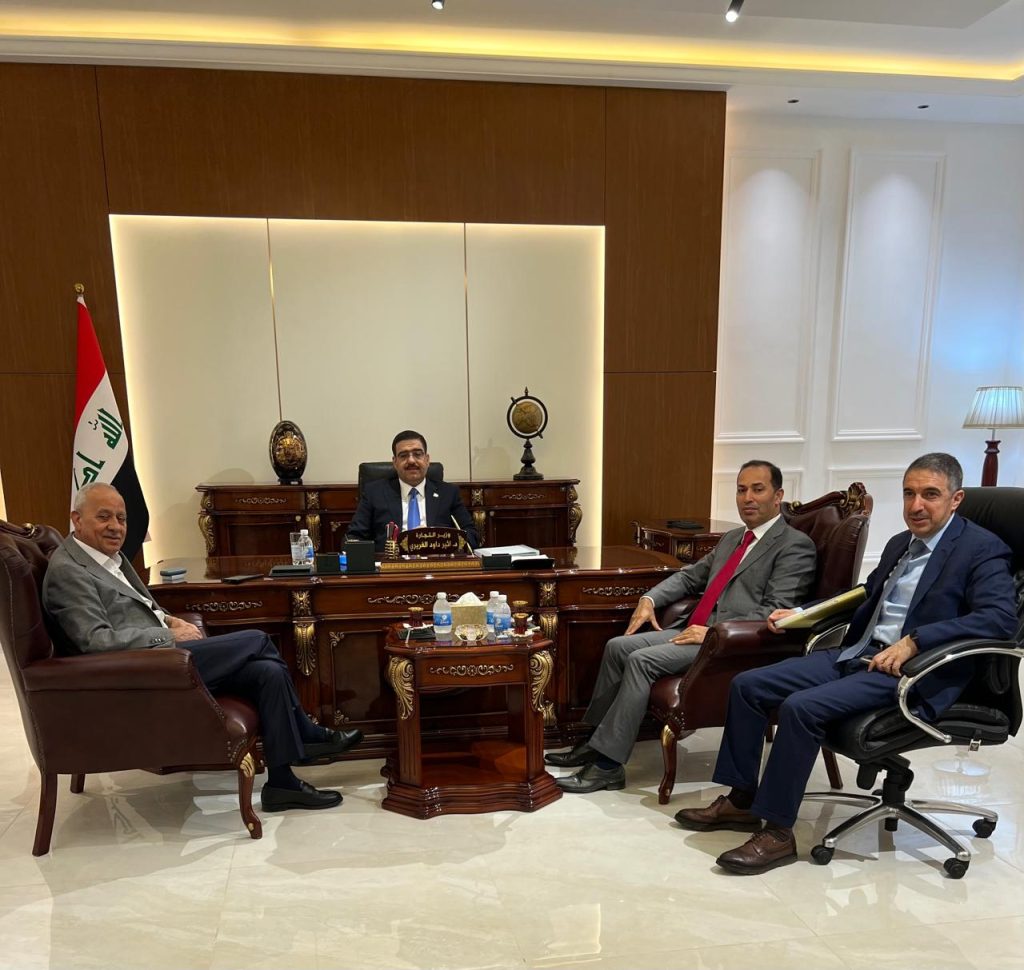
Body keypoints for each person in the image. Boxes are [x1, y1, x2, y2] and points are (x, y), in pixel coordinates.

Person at [676, 453, 1018, 874]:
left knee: (801, 707)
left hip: (913, 672)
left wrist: (916, 641)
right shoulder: (901, 543)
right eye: (909, 494)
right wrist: (802, 612)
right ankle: (742, 800)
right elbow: (864, 595)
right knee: (749, 685)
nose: (916, 505)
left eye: (930, 495)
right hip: (859, 654)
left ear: (956, 499)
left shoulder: (981, 550)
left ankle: (778, 834)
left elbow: (1000, 619)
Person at [43, 483, 364, 813]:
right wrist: (167, 637)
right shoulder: (69, 570)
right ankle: (306, 734)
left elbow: (144, 607)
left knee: (266, 671)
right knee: (257, 639)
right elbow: (95, 641)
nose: (115, 526)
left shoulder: (110, 557)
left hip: (160, 654)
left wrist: (171, 620)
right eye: (104, 517)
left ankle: (282, 785)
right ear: (76, 519)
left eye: (121, 518)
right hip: (145, 670)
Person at [547, 460, 817, 794]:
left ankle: (607, 766)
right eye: (741, 489)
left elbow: (775, 612)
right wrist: (649, 599)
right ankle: (595, 741)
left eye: (757, 489)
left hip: (730, 644)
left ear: (778, 496)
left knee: (641, 660)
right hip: (694, 631)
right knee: (618, 647)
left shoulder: (794, 546)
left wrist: (713, 632)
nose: (747, 497)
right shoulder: (734, 538)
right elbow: (690, 576)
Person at [346, 430, 480, 551]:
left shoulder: (448, 493)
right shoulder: (375, 493)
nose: (411, 460)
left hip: (436, 565)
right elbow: (353, 538)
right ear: (395, 462)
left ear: (427, 460)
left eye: (417, 454)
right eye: (403, 455)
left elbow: (472, 536)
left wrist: (435, 540)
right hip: (391, 567)